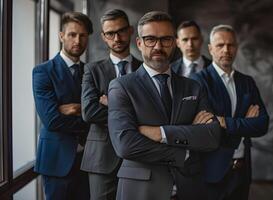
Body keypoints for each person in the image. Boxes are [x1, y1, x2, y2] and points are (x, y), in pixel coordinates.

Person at [108, 11, 222, 200]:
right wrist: (183, 151)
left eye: (165, 39)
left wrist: (161, 133)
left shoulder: (193, 86)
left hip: (189, 188)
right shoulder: (121, 86)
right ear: (139, 43)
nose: (158, 46)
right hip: (141, 190)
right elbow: (125, 144)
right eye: (150, 39)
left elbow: (211, 136)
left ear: (174, 43)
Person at [191, 24, 269, 200]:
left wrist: (225, 122)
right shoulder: (198, 81)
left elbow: (263, 124)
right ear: (210, 49)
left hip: (242, 172)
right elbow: (207, 129)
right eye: (220, 45)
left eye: (231, 45)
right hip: (212, 171)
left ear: (236, 47)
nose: (226, 50)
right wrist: (245, 124)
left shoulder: (247, 82)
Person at [80, 9, 142, 200]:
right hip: (101, 157)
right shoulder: (92, 69)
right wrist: (131, 110)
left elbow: (155, 112)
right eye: (110, 33)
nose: (117, 37)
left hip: (139, 155)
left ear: (131, 31)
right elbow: (89, 112)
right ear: (103, 37)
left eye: (121, 31)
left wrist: (112, 104)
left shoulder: (144, 69)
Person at [32, 12, 93, 200]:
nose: (78, 40)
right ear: (61, 36)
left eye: (83, 35)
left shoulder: (91, 71)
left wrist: (73, 109)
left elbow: (101, 113)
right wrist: (86, 115)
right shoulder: (43, 71)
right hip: (57, 160)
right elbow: (51, 120)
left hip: (87, 161)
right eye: (72, 34)